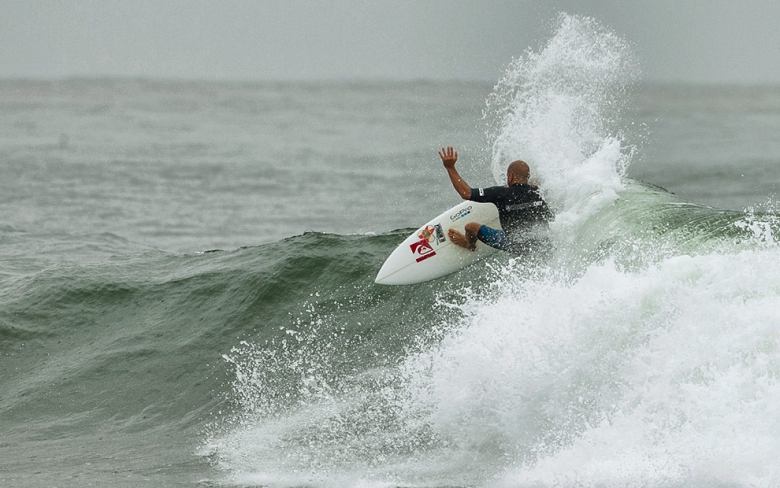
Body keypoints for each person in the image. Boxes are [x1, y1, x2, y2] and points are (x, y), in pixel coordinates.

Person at [438, 146, 552, 255]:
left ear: (511, 176)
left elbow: (466, 193)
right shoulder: (539, 191)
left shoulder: (501, 193)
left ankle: (469, 245)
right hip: (541, 241)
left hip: (513, 243)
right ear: (528, 177)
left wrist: (450, 167)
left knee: (470, 227)